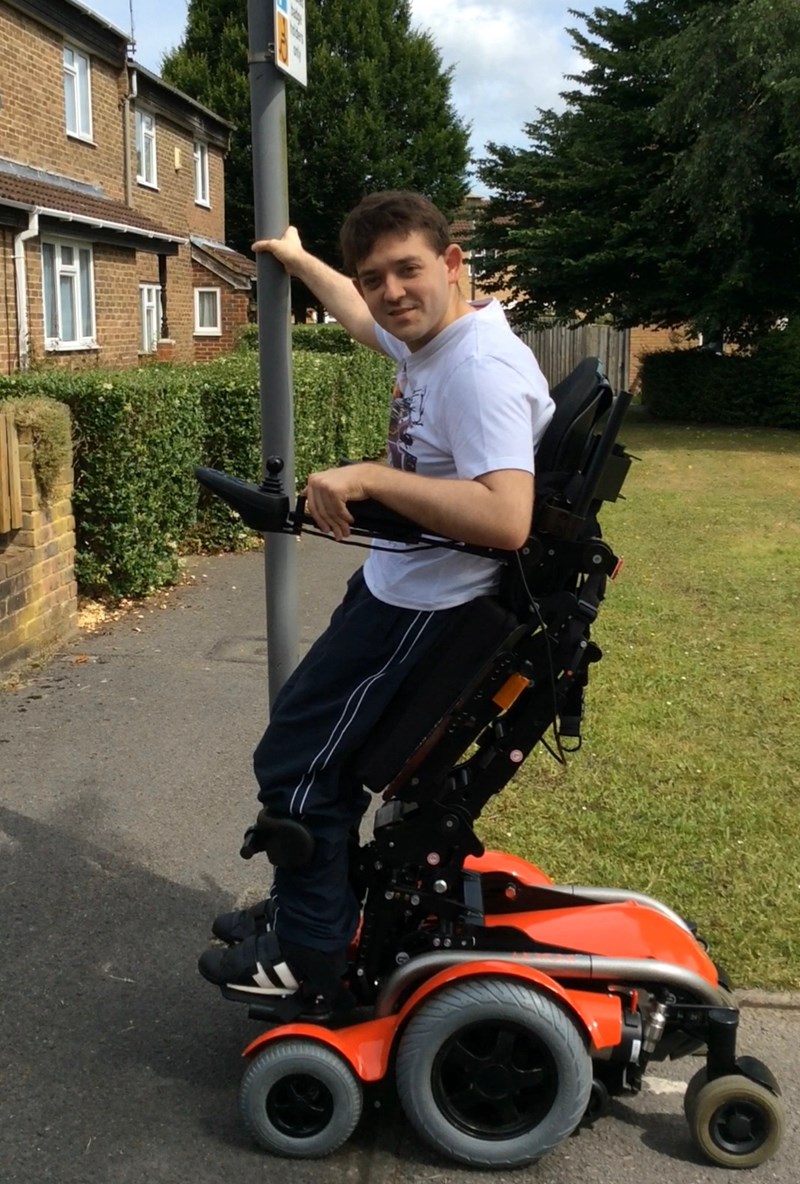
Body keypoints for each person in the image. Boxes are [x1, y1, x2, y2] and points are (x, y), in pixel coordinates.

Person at [198, 190, 554, 1009]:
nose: (391, 292)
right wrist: (299, 260)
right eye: (374, 276)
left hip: (427, 609)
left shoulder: (478, 370)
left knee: (298, 764)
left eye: (408, 270)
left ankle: (311, 952)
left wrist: (369, 477)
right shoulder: (438, 338)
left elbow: (506, 516)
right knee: (306, 750)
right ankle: (311, 907)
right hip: (398, 587)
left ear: (452, 264)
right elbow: (361, 316)